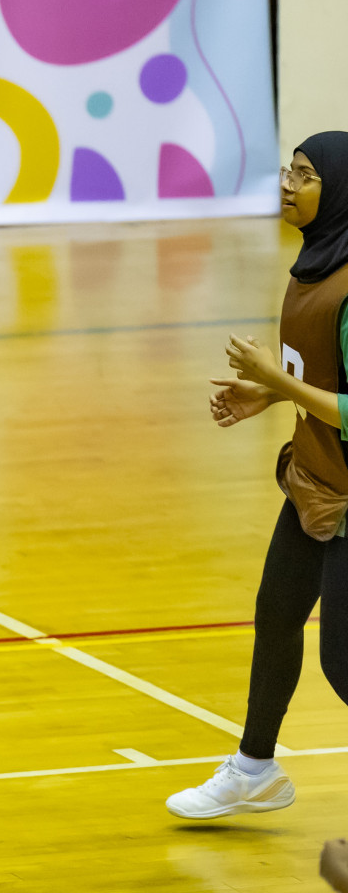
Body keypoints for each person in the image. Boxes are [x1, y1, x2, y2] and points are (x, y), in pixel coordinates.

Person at [166, 132, 348, 818]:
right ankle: (256, 769)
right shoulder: (313, 266)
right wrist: (272, 391)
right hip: (316, 480)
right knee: (276, 617)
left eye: (304, 175)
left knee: (343, 664)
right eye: (286, 170)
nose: (287, 184)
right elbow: (328, 376)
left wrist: (280, 381)